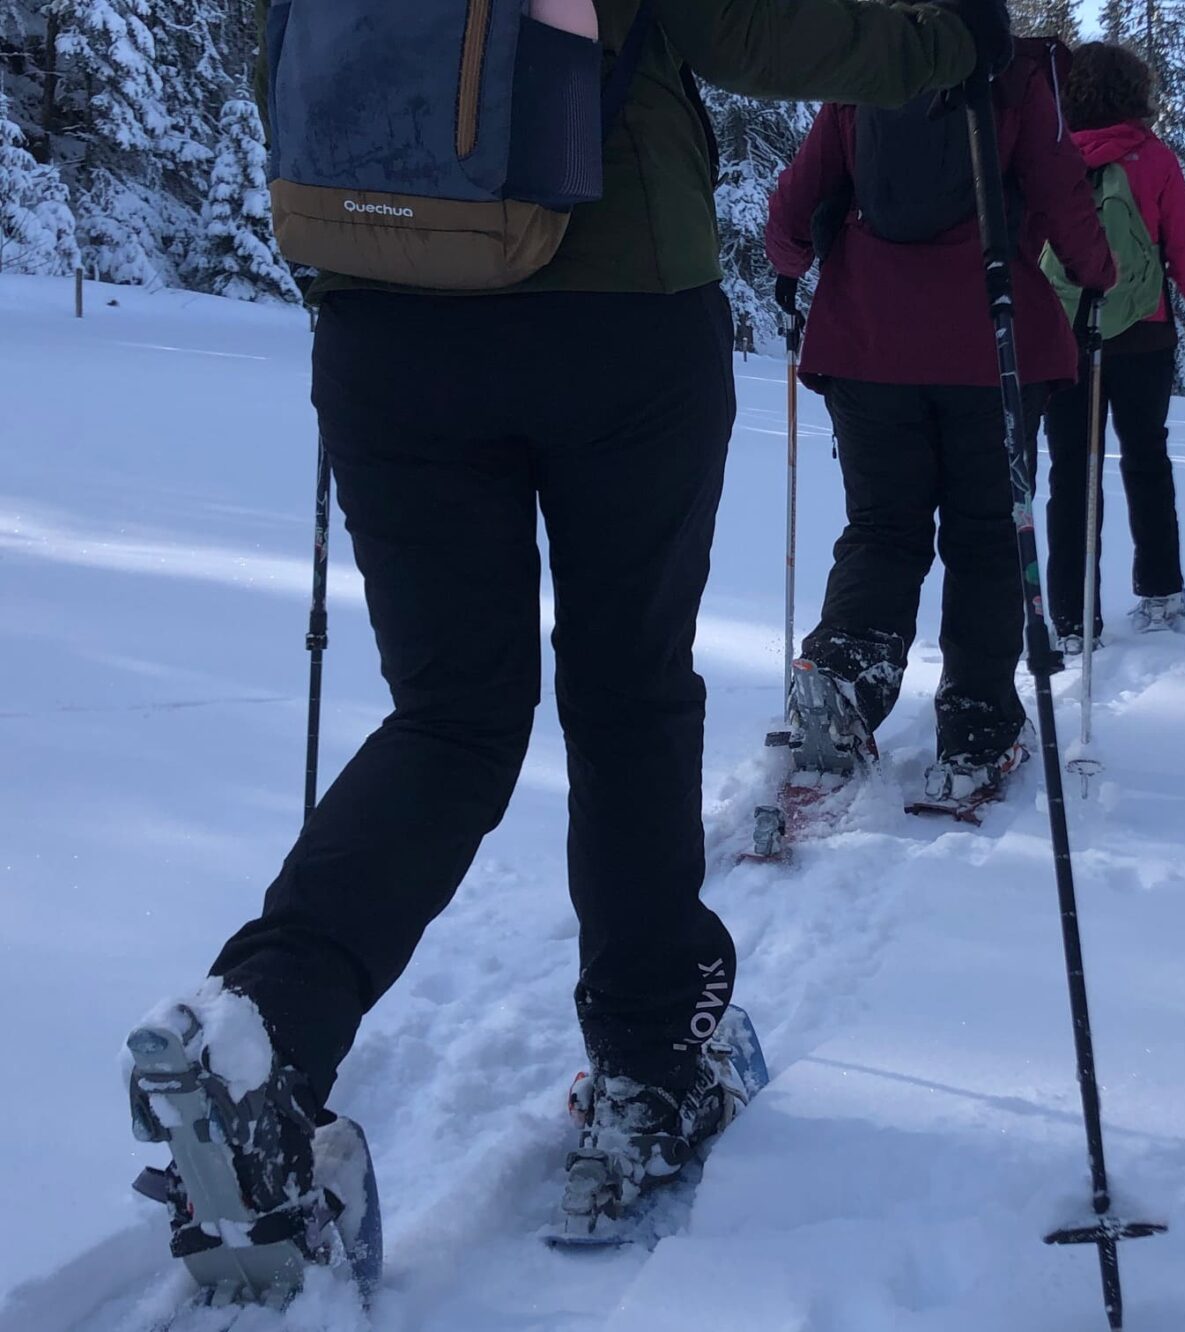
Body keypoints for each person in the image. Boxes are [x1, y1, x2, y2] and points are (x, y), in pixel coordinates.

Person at [126, 0, 1017, 1282]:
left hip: (383, 323)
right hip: (618, 315)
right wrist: (949, 41)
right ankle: (654, 1066)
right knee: (626, 695)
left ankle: (263, 1029)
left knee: (449, 717)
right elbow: (751, 29)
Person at [765, 38, 1114, 801]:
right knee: (989, 536)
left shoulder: (862, 67)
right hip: (992, 348)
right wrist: (1098, 277)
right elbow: (1065, 201)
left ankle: (846, 683)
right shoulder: (1016, 76)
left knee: (883, 528)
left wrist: (790, 269)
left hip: (867, 343)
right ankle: (978, 722)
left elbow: (795, 200)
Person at [1042, 41, 1185, 651]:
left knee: (1072, 471)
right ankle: (1160, 595)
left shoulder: (1049, 154)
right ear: (1135, 94)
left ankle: (1073, 619)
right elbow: (1184, 253)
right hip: (1144, 335)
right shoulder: (1155, 159)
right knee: (1146, 460)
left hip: (1066, 332)